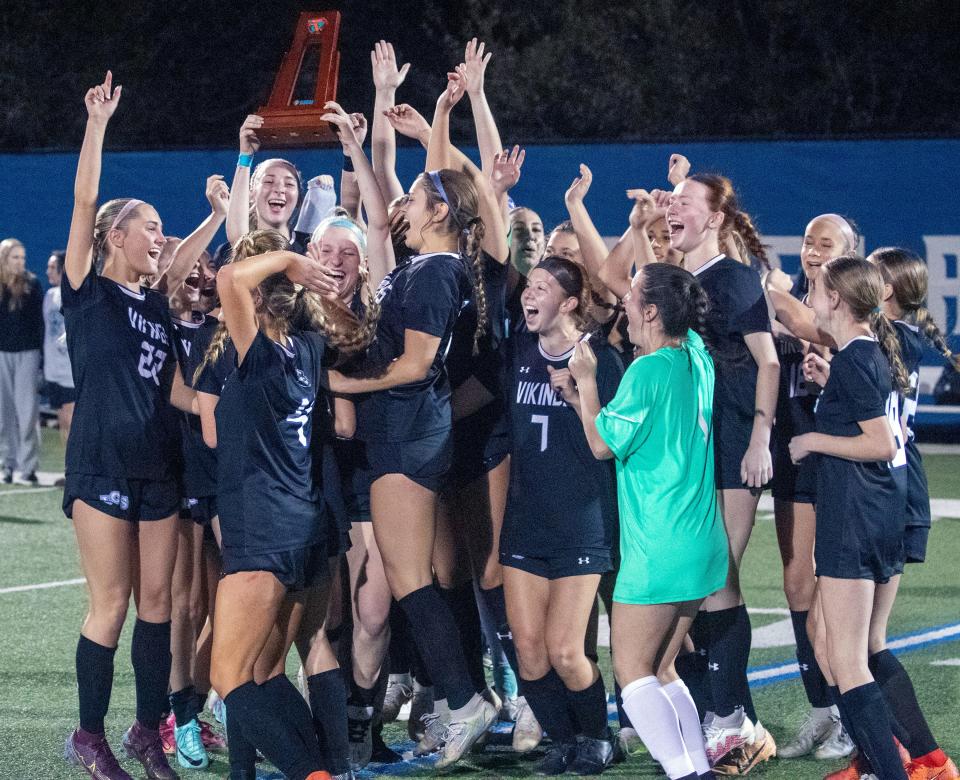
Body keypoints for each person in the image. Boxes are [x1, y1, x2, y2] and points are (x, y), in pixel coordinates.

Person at [327, 158, 498, 769]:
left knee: (411, 580)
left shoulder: (435, 272)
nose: (405, 208)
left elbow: (416, 364)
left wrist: (342, 385)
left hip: (406, 434)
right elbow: (377, 229)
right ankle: (462, 697)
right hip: (402, 433)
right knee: (410, 579)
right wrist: (358, 145)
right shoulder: (425, 266)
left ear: (441, 212)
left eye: (417, 198)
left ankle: (465, 699)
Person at [61, 71, 200, 780]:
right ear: (115, 237)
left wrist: (212, 408)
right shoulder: (89, 289)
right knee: (111, 604)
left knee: (158, 608)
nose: (160, 235)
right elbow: (85, 199)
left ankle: (149, 730)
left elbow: (175, 385)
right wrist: (97, 126)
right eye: (149, 226)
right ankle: (90, 735)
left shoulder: (155, 307)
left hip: (158, 469)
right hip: (101, 465)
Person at [206, 228, 360, 780]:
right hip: (304, 526)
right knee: (267, 673)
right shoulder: (310, 348)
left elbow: (228, 278)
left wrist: (293, 259)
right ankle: (322, 767)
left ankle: (313, 774)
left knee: (229, 678)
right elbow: (348, 325)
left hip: (260, 528)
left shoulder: (261, 351)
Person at [569, 262, 727, 780]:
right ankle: (696, 766)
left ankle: (689, 775)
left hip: (660, 546)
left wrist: (587, 382)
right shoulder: (697, 357)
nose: (623, 306)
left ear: (652, 311)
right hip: (702, 541)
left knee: (633, 673)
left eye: (632, 298)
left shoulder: (647, 370)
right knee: (664, 668)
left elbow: (600, 444)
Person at [663, 174, 779, 769]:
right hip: (687, 453)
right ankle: (720, 713)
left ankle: (731, 718)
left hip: (732, 446)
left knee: (717, 580)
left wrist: (761, 436)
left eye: (685, 203)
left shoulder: (732, 278)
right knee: (689, 583)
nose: (671, 209)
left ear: (714, 219)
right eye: (671, 200)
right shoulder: (677, 278)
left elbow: (767, 360)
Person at [499, 254, 623, 775]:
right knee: (528, 652)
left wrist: (577, 395)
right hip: (526, 519)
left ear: (570, 303)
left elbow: (614, 443)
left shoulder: (601, 359)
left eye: (544, 288)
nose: (530, 294)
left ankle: (599, 736)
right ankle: (565, 738)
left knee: (567, 651)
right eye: (529, 285)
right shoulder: (517, 353)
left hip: (582, 519)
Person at [787, 254, 910, 780]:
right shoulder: (858, 354)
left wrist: (811, 439)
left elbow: (882, 442)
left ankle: (889, 770)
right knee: (844, 650)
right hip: (874, 513)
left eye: (815, 286)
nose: (809, 292)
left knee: (845, 660)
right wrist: (830, 378)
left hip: (852, 518)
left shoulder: (859, 357)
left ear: (835, 299)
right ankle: (885, 763)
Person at [767, 214, 859, 761]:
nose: (813, 252)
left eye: (826, 244)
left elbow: (814, 328)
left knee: (842, 598)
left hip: (841, 459)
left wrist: (776, 303)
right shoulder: (788, 301)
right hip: (795, 452)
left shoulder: (852, 310)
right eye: (807, 242)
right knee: (799, 587)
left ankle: (852, 711)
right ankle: (822, 709)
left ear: (850, 251)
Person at [0, 237, 43, 486]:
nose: (20, 261)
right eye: (15, 257)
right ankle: (8, 464)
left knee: (27, 413)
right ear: (5, 258)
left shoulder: (32, 283)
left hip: (27, 353)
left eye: (22, 257)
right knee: (4, 414)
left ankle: (28, 466)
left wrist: (41, 360)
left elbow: (39, 323)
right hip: (2, 354)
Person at [43, 250, 75, 465]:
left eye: (52, 268)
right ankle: (68, 467)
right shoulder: (49, 296)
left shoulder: (74, 295)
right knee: (62, 421)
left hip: (70, 372)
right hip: (53, 370)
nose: (47, 272)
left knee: (71, 421)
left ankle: (75, 467)